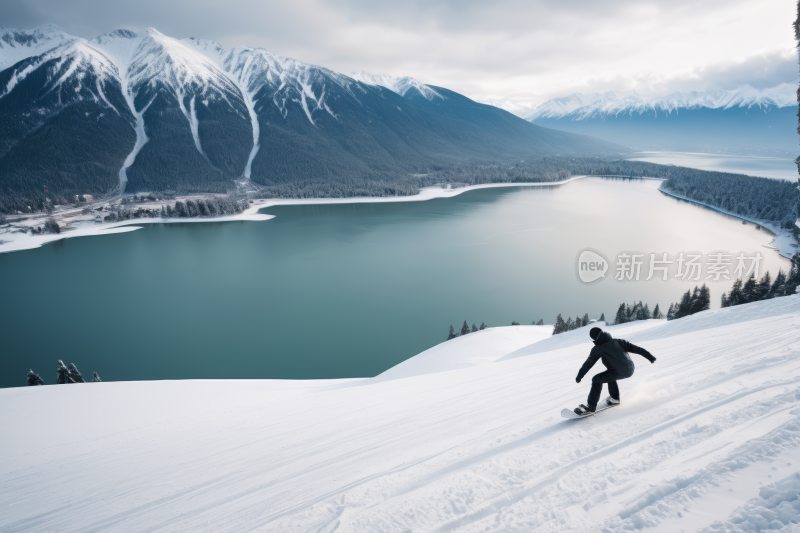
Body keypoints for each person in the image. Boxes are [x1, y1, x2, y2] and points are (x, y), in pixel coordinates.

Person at [574, 327, 656, 415]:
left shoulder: (598, 348)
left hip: (619, 371)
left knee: (596, 379)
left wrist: (580, 375)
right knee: (609, 375)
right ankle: (615, 398)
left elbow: (588, 363)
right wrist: (650, 357)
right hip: (630, 368)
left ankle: (591, 407)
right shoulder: (618, 341)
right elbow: (637, 349)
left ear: (594, 339)